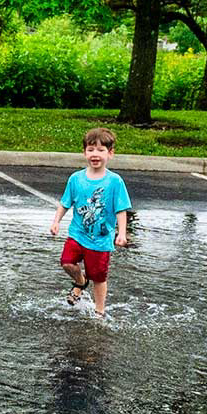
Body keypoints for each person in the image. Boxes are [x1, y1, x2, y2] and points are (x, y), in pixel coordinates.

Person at [49, 127, 133, 315]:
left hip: (100, 241)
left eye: (101, 150)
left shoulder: (115, 182)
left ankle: (99, 311)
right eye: (91, 149)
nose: (95, 154)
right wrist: (56, 221)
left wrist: (121, 233)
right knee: (67, 262)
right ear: (84, 152)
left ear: (110, 153)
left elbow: (121, 209)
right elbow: (65, 203)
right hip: (77, 234)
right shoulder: (76, 179)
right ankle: (80, 281)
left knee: (99, 277)